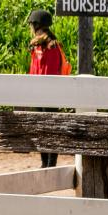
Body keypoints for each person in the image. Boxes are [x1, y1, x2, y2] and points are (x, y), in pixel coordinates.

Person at [27, 9, 70, 168]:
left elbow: (50, 72)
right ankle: (44, 162)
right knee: (41, 128)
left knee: (49, 127)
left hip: (48, 93)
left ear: (37, 25)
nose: (30, 28)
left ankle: (50, 163)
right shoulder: (37, 47)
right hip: (40, 92)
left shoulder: (51, 47)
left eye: (31, 25)